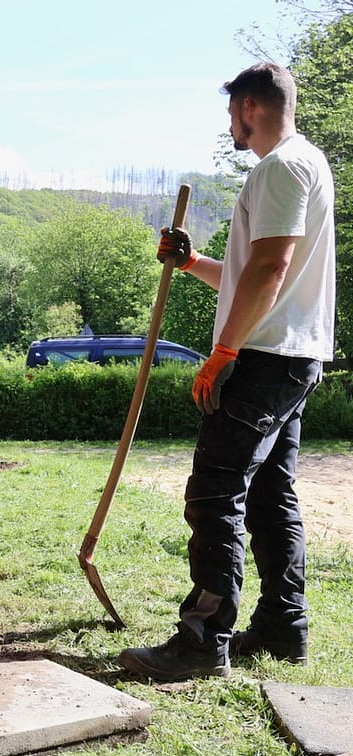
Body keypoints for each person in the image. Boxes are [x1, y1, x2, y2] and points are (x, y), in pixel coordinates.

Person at [119, 63, 335, 682]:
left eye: (230, 113)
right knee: (270, 496)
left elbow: (270, 271)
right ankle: (281, 628)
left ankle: (200, 642)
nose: (230, 126)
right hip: (293, 356)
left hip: (265, 360)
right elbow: (256, 273)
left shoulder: (280, 167)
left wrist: (224, 352)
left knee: (215, 491)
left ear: (248, 107)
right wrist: (192, 263)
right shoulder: (306, 163)